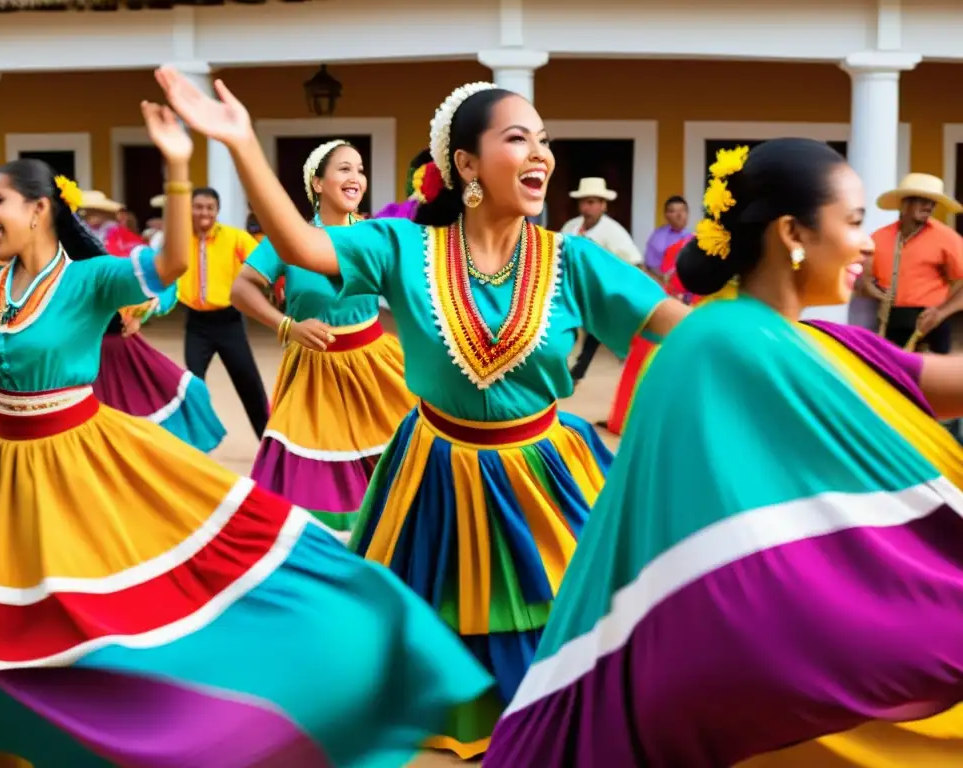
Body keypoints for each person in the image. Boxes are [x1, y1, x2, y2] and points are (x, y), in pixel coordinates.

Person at [155, 67, 688, 759]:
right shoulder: (401, 247)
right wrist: (242, 145)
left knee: (565, 607)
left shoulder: (574, 261)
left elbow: (682, 328)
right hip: (437, 465)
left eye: (544, 141)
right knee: (438, 606)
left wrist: (790, 333)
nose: (541, 156)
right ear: (465, 163)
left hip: (545, 466)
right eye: (518, 139)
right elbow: (300, 250)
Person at [0, 101, 491, 767]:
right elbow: (247, 286)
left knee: (100, 602)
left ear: (39, 209)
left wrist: (176, 165)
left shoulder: (88, 280)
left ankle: (159, 717)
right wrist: (289, 327)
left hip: (81, 458)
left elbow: (171, 265)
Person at [487, 138, 963, 767]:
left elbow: (938, 383)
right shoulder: (717, 344)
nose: (870, 241)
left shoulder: (825, 343)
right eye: (852, 223)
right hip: (746, 649)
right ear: (793, 232)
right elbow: (711, 540)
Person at [231, 139, 415, 538]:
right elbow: (241, 289)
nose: (356, 178)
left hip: (375, 366)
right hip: (313, 373)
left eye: (361, 170)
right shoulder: (288, 238)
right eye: (345, 169)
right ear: (317, 183)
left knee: (403, 458)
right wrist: (287, 326)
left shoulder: (373, 236)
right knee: (307, 475)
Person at [93, 261, 226, 453]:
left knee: (192, 389)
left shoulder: (127, 257)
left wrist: (144, 309)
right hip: (91, 353)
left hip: (125, 348)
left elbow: (164, 283)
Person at [177, 185, 269, 438]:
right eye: (198, 207)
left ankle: (268, 443)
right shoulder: (180, 238)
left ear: (217, 211)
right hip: (196, 323)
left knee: (249, 383)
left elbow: (264, 261)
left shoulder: (235, 238)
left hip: (229, 322)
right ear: (190, 209)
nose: (203, 212)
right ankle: (195, 442)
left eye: (209, 207)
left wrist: (273, 284)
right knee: (192, 385)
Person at [863, 173, 963, 353]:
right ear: (904, 204)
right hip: (890, 318)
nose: (929, 206)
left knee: (932, 379)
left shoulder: (947, 238)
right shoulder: (879, 237)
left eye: (932, 202)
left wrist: (941, 313)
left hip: (931, 320)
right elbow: (864, 280)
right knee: (890, 374)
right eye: (922, 200)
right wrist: (873, 291)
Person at [561, 177, 643, 383]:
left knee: (600, 331)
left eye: (592, 202)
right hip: (573, 290)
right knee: (573, 330)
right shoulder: (571, 227)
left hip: (601, 291)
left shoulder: (613, 231)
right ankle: (571, 370)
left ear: (603, 205)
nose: (587, 207)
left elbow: (634, 261)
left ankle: (583, 370)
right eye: (584, 202)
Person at [643, 194, 691, 279]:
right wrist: (663, 277)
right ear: (666, 215)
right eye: (673, 211)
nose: (679, 215)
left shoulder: (694, 238)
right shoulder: (657, 237)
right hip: (664, 286)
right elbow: (650, 266)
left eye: (683, 210)